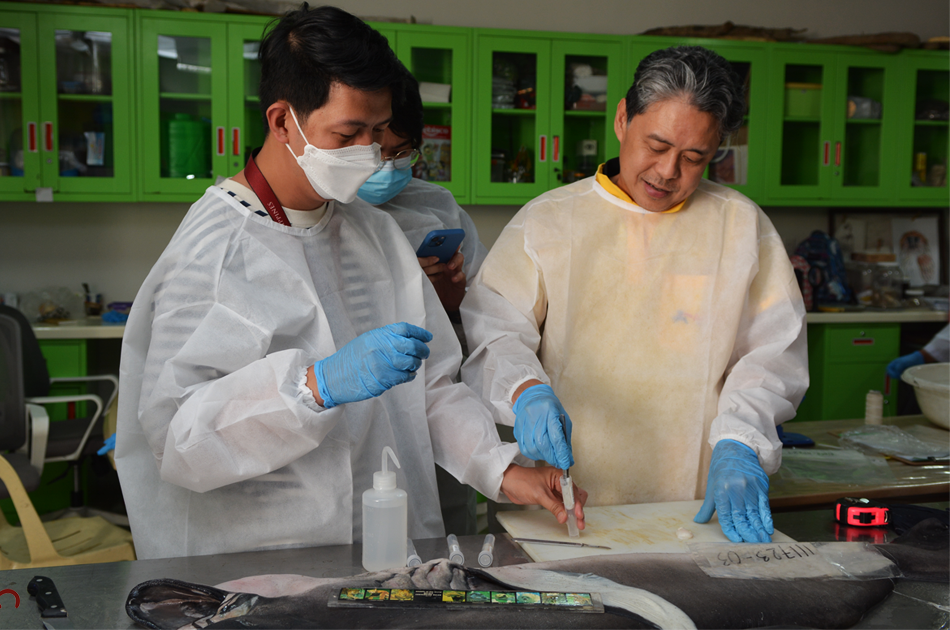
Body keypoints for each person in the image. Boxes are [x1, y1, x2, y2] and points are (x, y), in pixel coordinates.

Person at [115, 5, 585, 560]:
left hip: (387, 546)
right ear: (283, 121)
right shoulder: (217, 250)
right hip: (258, 558)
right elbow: (178, 442)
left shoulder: (373, 233)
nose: (369, 153)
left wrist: (502, 470)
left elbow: (430, 388)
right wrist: (313, 386)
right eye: (348, 133)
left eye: (378, 132)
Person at [461, 46, 808, 544]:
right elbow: (493, 330)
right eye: (658, 145)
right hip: (563, 502)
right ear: (623, 119)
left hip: (694, 500)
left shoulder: (741, 226)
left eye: (694, 158)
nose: (668, 171)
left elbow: (773, 356)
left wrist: (741, 442)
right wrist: (525, 391)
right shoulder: (550, 221)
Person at [356, 73, 490, 535]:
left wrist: (450, 305)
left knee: (446, 540)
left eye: (402, 152)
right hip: (357, 411)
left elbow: (486, 315)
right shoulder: (325, 208)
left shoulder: (437, 206)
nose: (389, 167)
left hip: (437, 404)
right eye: (379, 152)